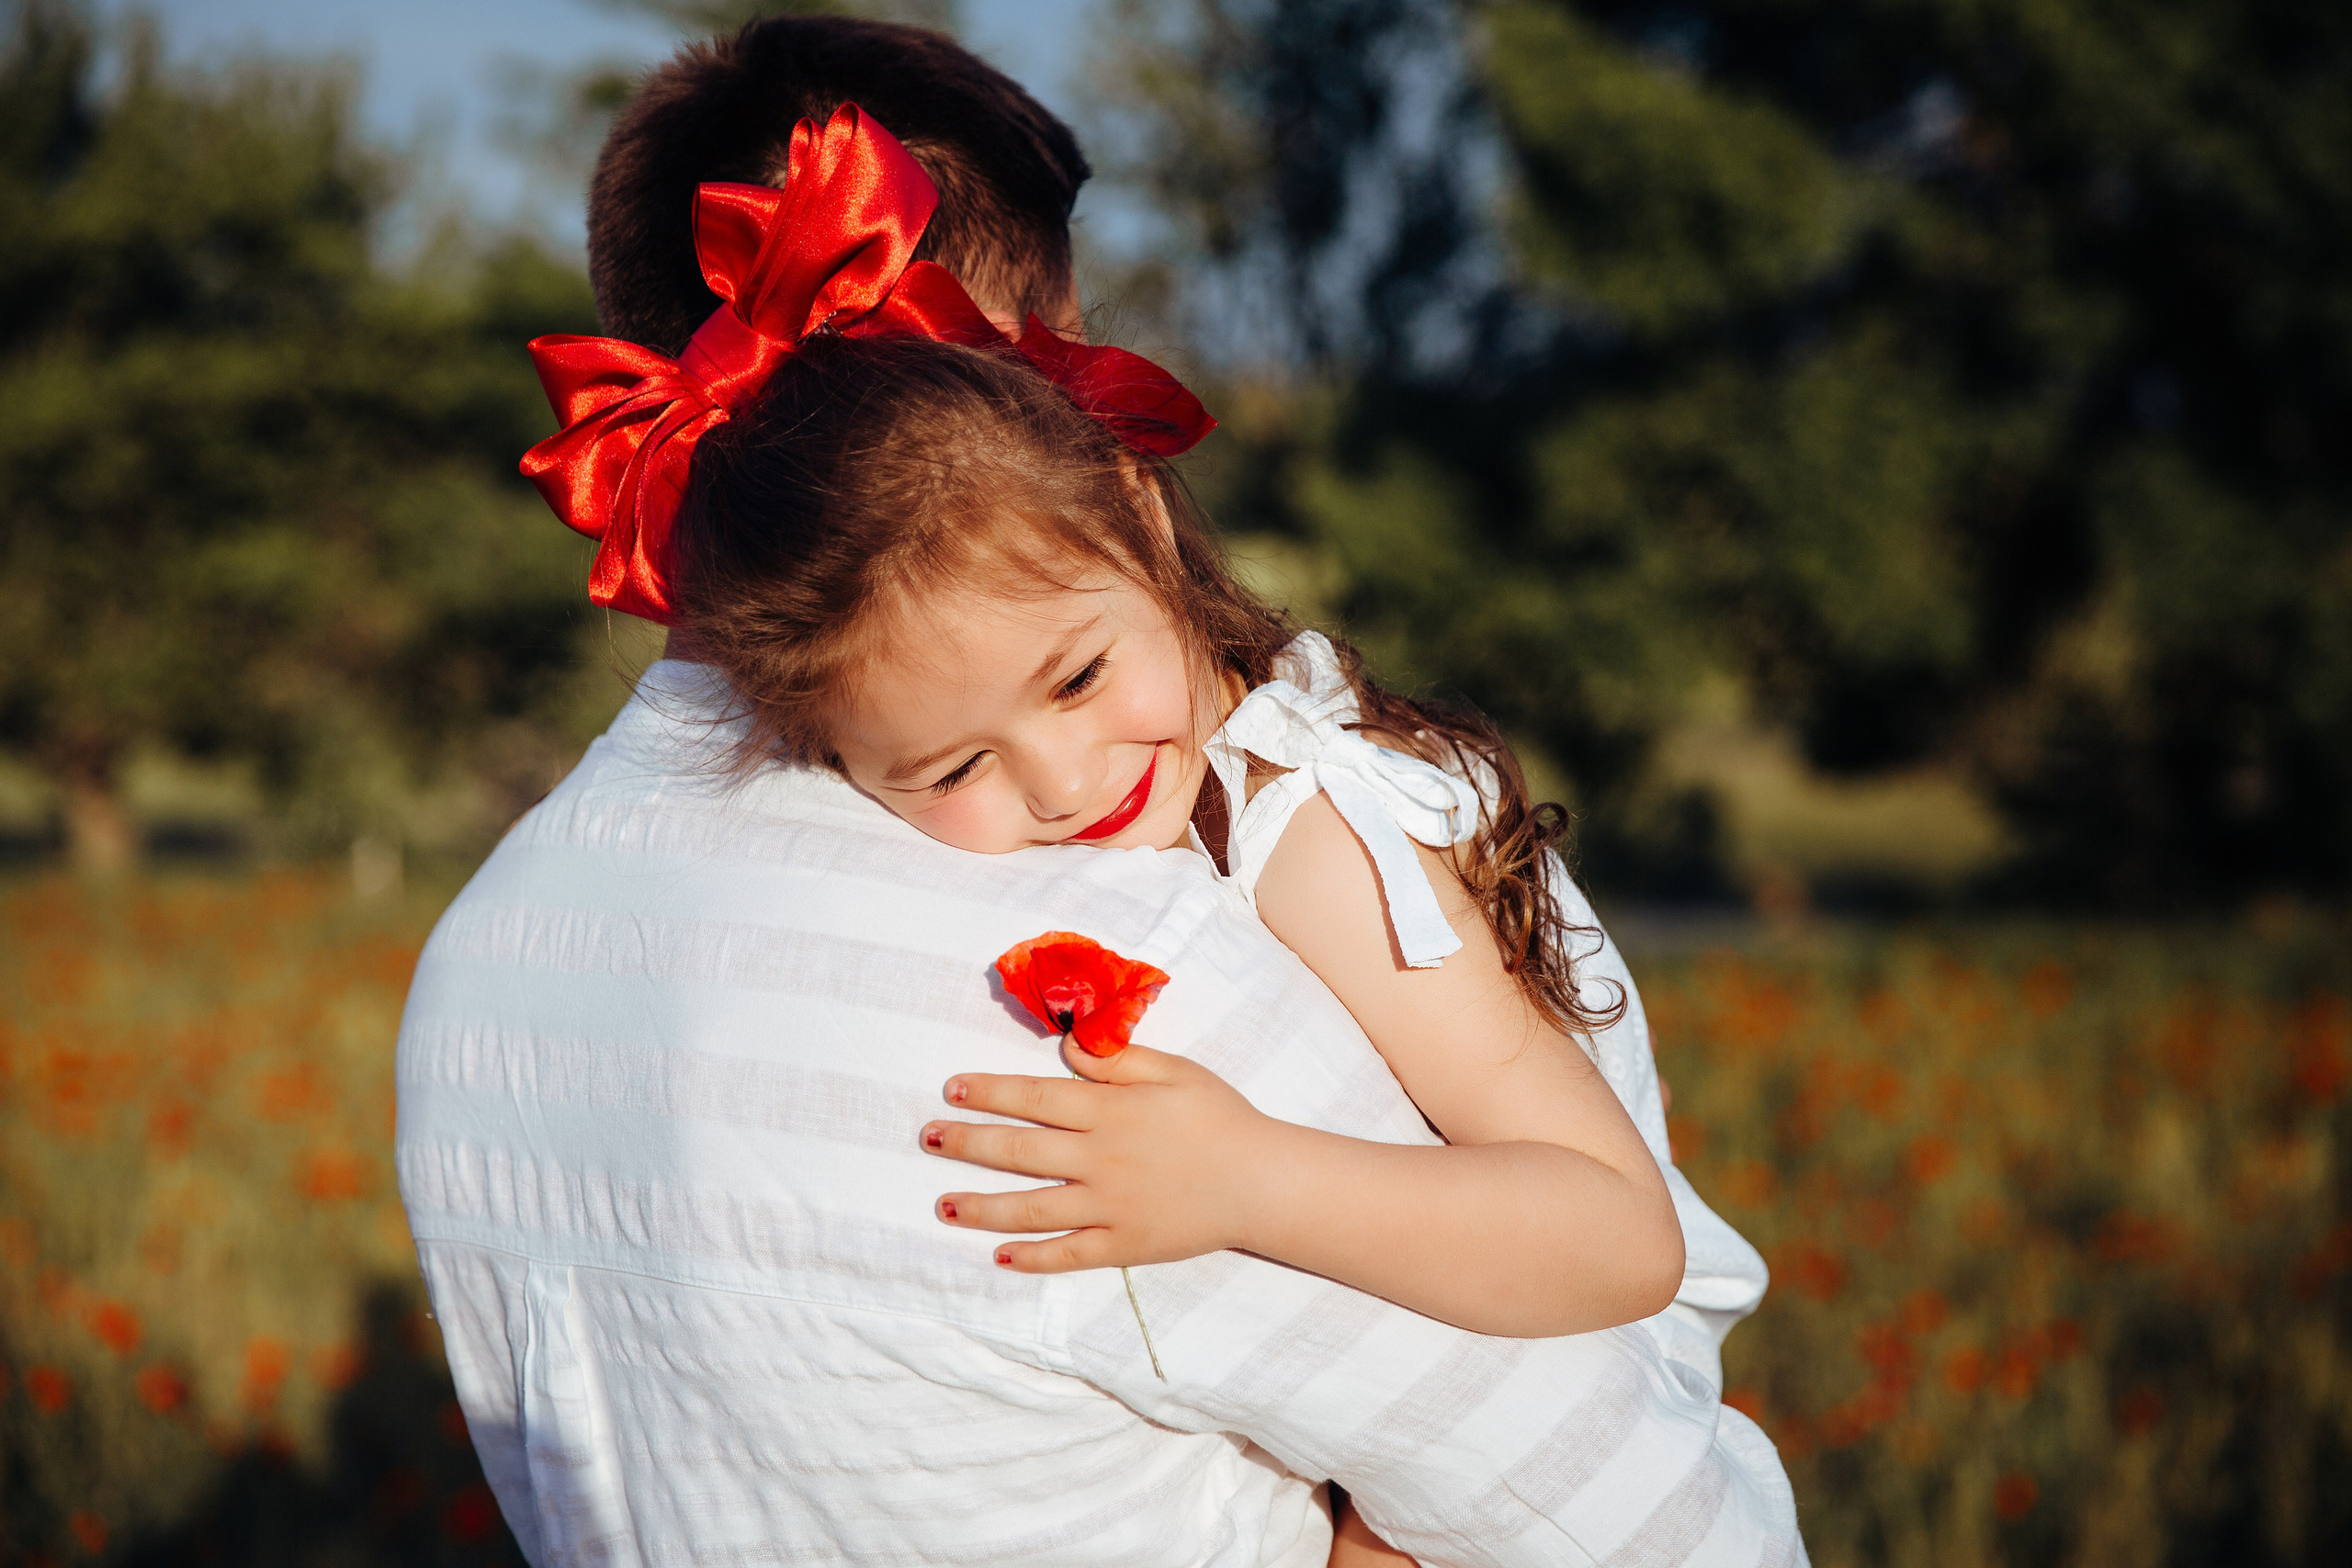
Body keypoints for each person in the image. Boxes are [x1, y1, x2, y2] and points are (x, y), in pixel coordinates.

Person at [397, 17, 1799, 1566]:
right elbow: (1632, 1518)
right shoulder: (1117, 970)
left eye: (1069, 678)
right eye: (953, 764)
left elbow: (1616, 1246)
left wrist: (1254, 1179)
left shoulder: (472, 975)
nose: (1062, 788)